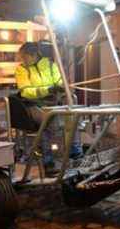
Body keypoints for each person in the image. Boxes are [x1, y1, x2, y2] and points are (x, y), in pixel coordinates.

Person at [15, 42, 82, 172]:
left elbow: (59, 82)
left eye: (25, 57)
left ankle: (75, 151)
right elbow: (25, 91)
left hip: (53, 103)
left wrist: (62, 87)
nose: (23, 60)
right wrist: (48, 90)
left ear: (34, 55)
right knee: (49, 120)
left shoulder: (52, 66)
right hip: (33, 105)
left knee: (74, 115)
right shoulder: (21, 69)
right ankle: (48, 160)